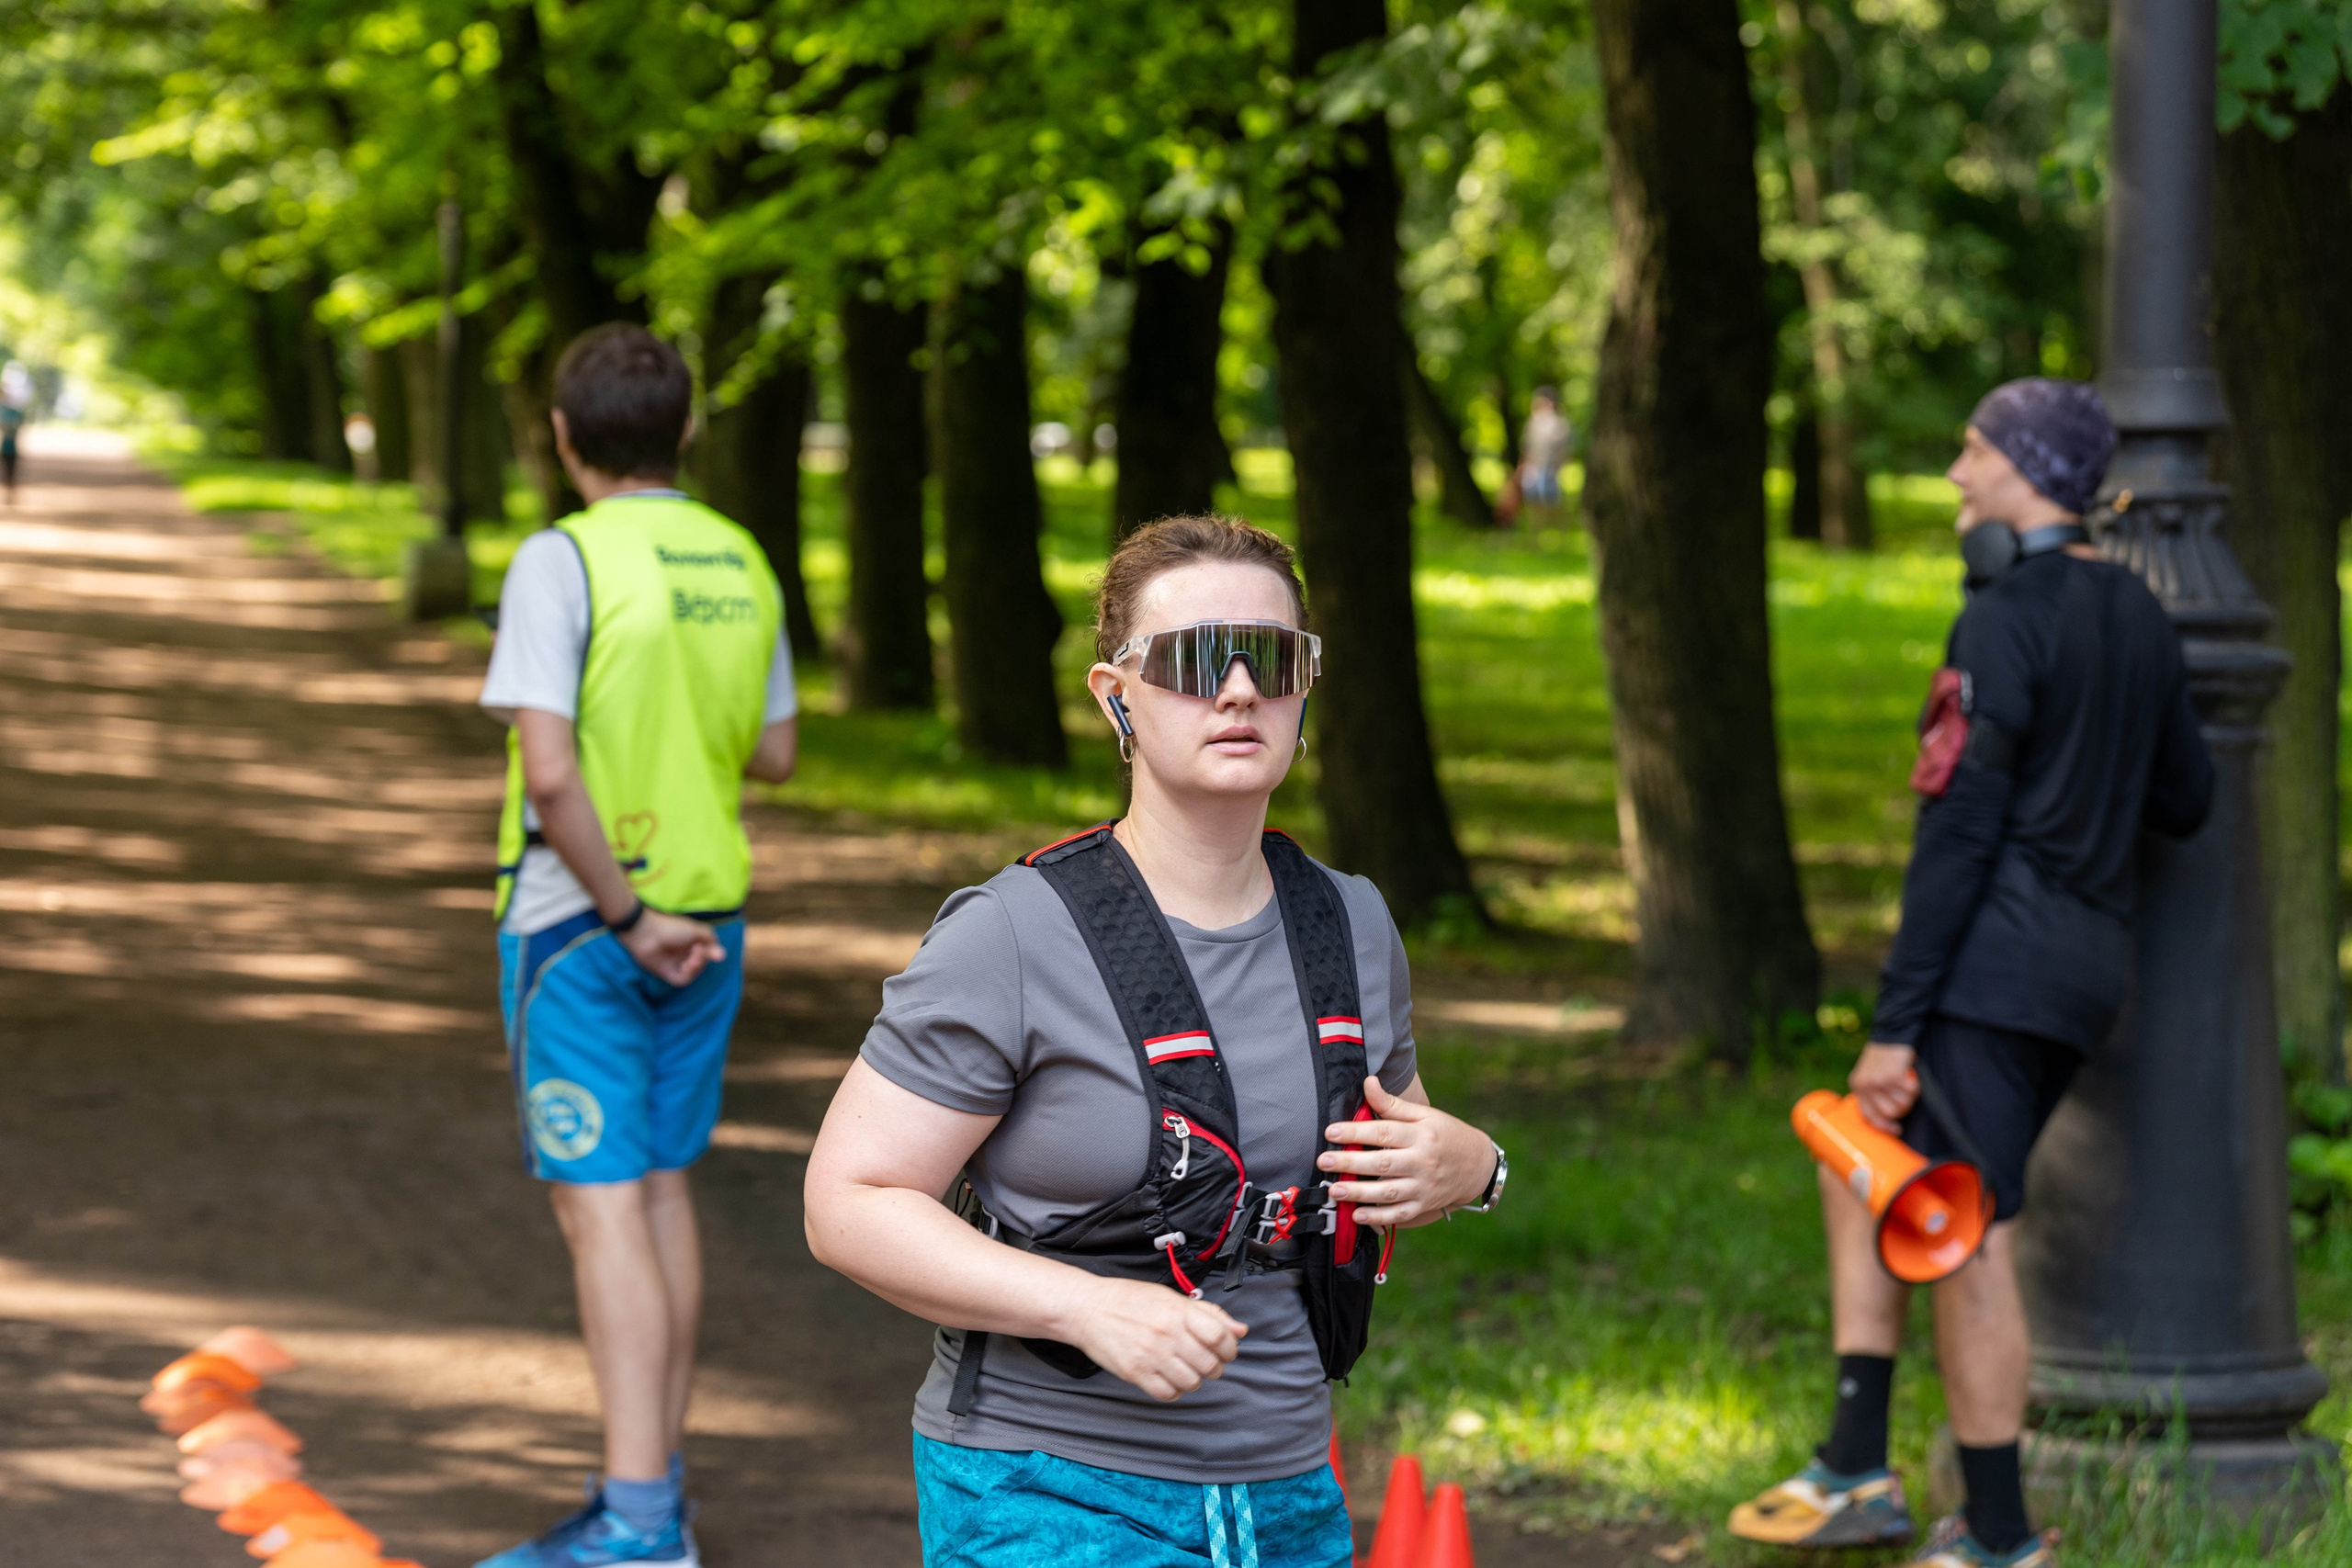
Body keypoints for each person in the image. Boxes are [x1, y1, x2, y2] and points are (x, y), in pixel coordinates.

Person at [804, 516, 1510, 1568]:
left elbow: (1384, 1165)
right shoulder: (1009, 934)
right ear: (1114, 695)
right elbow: (846, 1204)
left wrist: (1474, 1168)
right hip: (1045, 1491)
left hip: (1289, 1490)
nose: (1236, 690)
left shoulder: (1351, 923)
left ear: (1304, 686)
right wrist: (1083, 1306)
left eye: (1269, 659)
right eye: (1190, 660)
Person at [1727, 379, 2213, 1568]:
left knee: (1957, 1219)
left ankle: (1997, 1532)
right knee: (1863, 1162)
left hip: (1992, 969)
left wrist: (1896, 1022)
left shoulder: (2001, 616)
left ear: (2028, 468)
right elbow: (2187, 798)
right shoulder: (2143, 615)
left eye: (1973, 449)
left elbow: (1959, 831)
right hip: (2081, 965)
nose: (1954, 472)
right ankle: (1855, 1462)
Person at [475, 323, 799, 1568]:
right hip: (710, 917)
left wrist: (620, 908)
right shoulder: (740, 556)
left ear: (563, 437)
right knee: (661, 1189)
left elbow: (548, 772)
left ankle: (637, 1521)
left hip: (585, 924)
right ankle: (655, 1491)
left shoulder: (562, 560)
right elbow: (772, 751)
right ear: (687, 432)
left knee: (603, 1207)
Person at [1517, 385, 1571, 518]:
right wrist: (1523, 465)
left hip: (1550, 467)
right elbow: (1527, 446)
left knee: (1550, 498)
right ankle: (1538, 529)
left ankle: (1553, 527)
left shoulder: (1559, 423)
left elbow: (1565, 449)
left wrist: (1558, 466)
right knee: (1533, 498)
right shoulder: (1532, 422)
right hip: (1533, 466)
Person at [1, 359, 31, 504]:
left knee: (9, 472)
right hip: (6, 446)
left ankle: (10, 494)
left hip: (9, 447)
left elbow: (17, 426)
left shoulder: (14, 411)